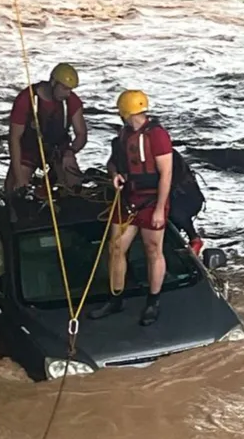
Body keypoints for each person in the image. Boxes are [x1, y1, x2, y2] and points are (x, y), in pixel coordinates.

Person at [88, 89, 172, 326]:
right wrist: (115, 174)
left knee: (152, 249)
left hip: (151, 201)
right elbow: (112, 163)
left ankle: (153, 302)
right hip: (128, 199)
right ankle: (115, 299)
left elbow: (166, 174)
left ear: (124, 111)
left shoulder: (157, 135)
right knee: (116, 247)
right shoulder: (124, 135)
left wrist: (159, 209)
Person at [4, 62, 88, 194]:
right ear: (53, 82)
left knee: (74, 183)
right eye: (64, 88)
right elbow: (14, 138)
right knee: (15, 188)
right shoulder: (26, 99)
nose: (68, 94)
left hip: (58, 149)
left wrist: (70, 151)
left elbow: (81, 134)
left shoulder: (71, 101)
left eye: (70, 90)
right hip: (29, 148)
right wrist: (19, 178)